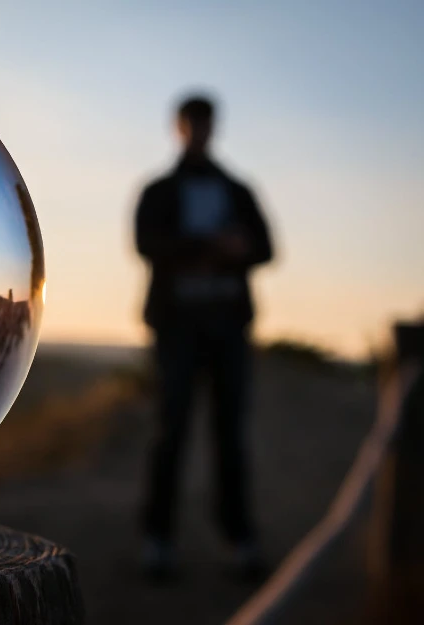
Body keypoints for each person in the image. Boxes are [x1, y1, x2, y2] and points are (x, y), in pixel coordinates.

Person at [134, 93, 274, 582]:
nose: (199, 132)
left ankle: (239, 539)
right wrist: (212, 245)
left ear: (214, 127)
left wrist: (234, 249)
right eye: (192, 124)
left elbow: (266, 248)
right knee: (170, 431)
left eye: (205, 124)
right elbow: (145, 243)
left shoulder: (238, 189)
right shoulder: (159, 190)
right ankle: (158, 540)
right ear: (180, 127)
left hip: (228, 326)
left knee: (230, 434)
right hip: (176, 327)